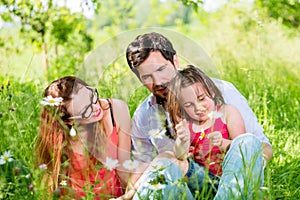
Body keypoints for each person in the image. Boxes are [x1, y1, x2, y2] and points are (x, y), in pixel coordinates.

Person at [125, 32, 273, 198]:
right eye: (147, 77)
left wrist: (241, 172)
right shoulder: (144, 115)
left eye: (161, 69)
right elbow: (143, 166)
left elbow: (261, 147)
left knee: (247, 142)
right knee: (165, 165)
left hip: (231, 182)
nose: (158, 81)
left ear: (175, 61)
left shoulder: (222, 92)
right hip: (189, 187)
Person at [167, 65, 264, 198]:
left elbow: (243, 149)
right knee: (171, 163)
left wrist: (223, 143)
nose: (198, 108)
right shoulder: (188, 125)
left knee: (249, 141)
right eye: (189, 105)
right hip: (204, 183)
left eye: (201, 99)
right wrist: (181, 140)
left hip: (232, 181)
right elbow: (180, 157)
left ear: (211, 92)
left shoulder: (227, 112)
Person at [35, 76, 131, 199]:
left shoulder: (117, 110)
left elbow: (124, 173)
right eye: (86, 110)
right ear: (69, 121)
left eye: (92, 96)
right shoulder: (61, 138)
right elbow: (52, 183)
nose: (96, 107)